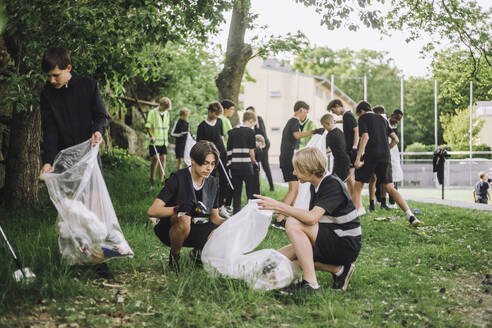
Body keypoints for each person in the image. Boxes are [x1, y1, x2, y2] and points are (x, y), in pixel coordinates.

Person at [39, 47, 112, 279]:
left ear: (68, 68)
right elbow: (49, 130)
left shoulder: (88, 86)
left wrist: (98, 132)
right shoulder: (47, 93)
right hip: (64, 160)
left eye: (56, 75)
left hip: (89, 156)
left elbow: (101, 116)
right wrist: (48, 161)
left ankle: (101, 263)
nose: (51, 80)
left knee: (94, 210)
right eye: (48, 76)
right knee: (69, 211)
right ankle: (71, 259)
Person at [255, 147, 360, 293]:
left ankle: (311, 284)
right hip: (334, 239)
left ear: (310, 171)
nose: (293, 173)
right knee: (280, 258)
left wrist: (280, 206)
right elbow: (312, 220)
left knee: (292, 222)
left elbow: (311, 219)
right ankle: (340, 270)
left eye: (297, 169)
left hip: (345, 245)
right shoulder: (316, 186)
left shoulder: (332, 184)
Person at [148, 141, 226, 270]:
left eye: (212, 164)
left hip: (197, 227)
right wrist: (177, 209)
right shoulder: (177, 178)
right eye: (205, 163)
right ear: (193, 160)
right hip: (170, 228)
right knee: (184, 218)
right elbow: (153, 211)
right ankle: (174, 257)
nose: (209, 168)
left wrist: (234, 221)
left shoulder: (213, 183)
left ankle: (198, 252)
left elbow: (214, 218)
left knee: (220, 231)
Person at [352, 101, 421, 226]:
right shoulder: (383, 119)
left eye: (359, 114)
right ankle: (410, 215)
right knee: (390, 187)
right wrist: (385, 149)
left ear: (361, 111)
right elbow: (396, 139)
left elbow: (365, 137)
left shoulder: (363, 118)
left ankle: (354, 217)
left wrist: (358, 157)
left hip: (370, 155)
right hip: (385, 156)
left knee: (358, 185)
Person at [273, 101, 324, 230]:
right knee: (293, 190)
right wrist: (315, 131)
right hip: (288, 160)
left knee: (295, 192)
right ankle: (278, 220)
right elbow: (297, 135)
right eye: (306, 112)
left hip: (287, 159)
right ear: (300, 110)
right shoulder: (294, 121)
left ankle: (288, 219)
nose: (305, 115)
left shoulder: (292, 122)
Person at [196, 102, 230, 218]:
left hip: (221, 155)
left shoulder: (219, 122)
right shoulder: (202, 126)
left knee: (224, 180)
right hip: (209, 159)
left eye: (218, 114)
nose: (216, 116)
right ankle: (208, 207)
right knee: (211, 182)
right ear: (210, 111)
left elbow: (220, 137)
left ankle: (221, 205)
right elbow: (200, 145)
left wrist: (221, 151)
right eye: (215, 114)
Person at [226, 111, 258, 214]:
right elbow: (251, 151)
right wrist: (254, 162)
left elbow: (229, 151)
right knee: (250, 192)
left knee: (237, 193)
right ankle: (250, 213)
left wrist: (229, 165)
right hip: (247, 167)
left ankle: (236, 213)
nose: (253, 126)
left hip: (235, 167)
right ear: (251, 121)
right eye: (253, 123)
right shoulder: (251, 132)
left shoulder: (232, 132)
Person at [326, 99, 358, 199]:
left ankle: (354, 201)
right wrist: (336, 121)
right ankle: (351, 199)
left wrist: (355, 145)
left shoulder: (348, 115)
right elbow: (347, 121)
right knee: (349, 178)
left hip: (352, 150)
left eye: (333, 110)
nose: (333, 113)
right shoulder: (346, 116)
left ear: (337, 105)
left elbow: (356, 130)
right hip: (348, 149)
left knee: (350, 178)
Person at [246, 106, 275, 191]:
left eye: (250, 113)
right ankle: (255, 186)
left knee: (265, 165)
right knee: (255, 165)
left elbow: (262, 133)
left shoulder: (258, 119)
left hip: (263, 145)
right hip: (255, 146)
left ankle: (271, 186)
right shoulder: (248, 122)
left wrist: (261, 145)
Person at [146, 96, 171, 184]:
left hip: (163, 141)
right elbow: (148, 126)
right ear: (161, 105)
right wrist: (151, 136)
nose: (165, 110)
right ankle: (152, 179)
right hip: (154, 141)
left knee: (163, 158)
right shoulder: (152, 113)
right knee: (155, 159)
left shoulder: (167, 114)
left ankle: (161, 180)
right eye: (164, 108)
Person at [320, 113, 350, 181]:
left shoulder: (330, 135)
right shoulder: (339, 131)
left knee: (336, 183)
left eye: (324, 126)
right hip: (346, 160)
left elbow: (325, 150)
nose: (324, 128)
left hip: (340, 162)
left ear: (328, 124)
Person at [368, 105, 387, 211]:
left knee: (379, 180)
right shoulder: (372, 122)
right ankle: (373, 204)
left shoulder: (384, 122)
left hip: (377, 154)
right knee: (375, 179)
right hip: (378, 154)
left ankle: (380, 203)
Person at [220, 100, 236, 214]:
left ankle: (223, 203)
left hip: (221, 152)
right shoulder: (224, 120)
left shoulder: (219, 119)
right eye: (231, 109)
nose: (233, 112)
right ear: (225, 109)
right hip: (226, 153)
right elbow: (231, 136)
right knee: (227, 178)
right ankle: (225, 204)